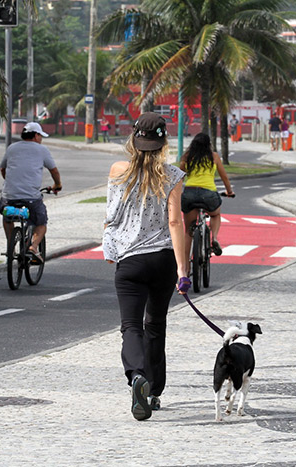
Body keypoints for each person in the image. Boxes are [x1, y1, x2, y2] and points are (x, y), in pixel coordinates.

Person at [102, 112, 189, 421]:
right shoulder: (174, 176)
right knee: (156, 325)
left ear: (134, 140)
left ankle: (136, 375)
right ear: (164, 142)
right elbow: (176, 222)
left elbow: (110, 216)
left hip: (129, 262)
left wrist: (111, 249)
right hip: (163, 260)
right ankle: (152, 391)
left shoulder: (118, 171)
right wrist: (182, 270)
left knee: (131, 326)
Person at [0, 122, 62, 265]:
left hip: (8, 196)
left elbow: (3, 169)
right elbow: (54, 171)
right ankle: (33, 247)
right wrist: (57, 185)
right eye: (40, 136)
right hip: (31, 199)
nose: (41, 139)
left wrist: (12, 182)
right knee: (41, 222)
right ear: (35, 135)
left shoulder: (11, 148)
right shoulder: (42, 150)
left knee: (7, 216)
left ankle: (11, 245)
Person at [180, 133, 234, 262]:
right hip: (208, 194)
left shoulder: (187, 156)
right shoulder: (213, 157)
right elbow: (224, 177)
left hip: (190, 193)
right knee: (215, 214)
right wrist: (229, 191)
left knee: (188, 232)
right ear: (208, 144)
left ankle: (185, 267)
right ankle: (214, 238)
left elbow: (180, 176)